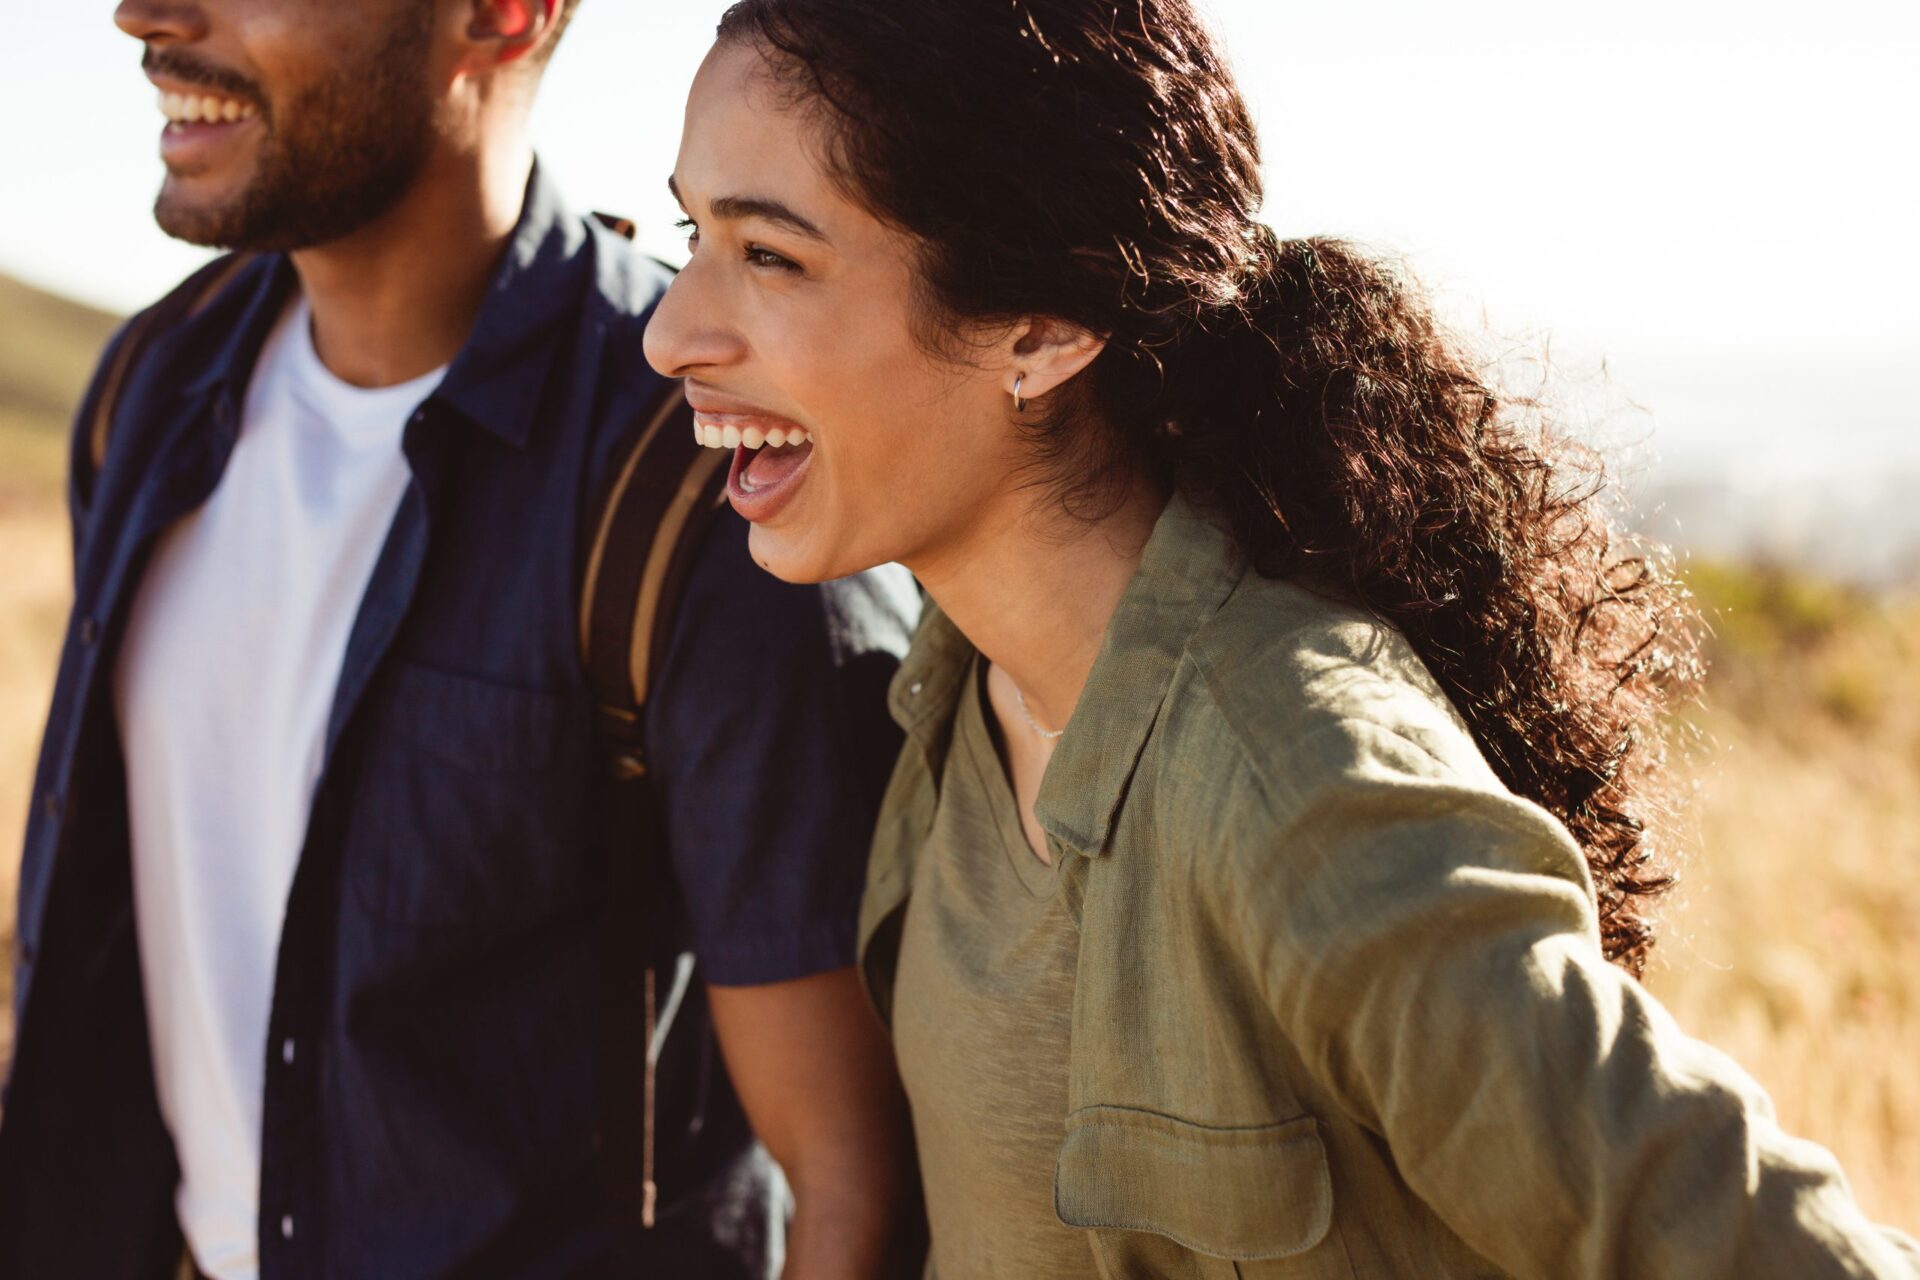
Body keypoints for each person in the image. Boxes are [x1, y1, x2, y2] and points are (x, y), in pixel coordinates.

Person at [641, 1, 1920, 1276]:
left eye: (770, 256)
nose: (671, 332)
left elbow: (1767, 1244)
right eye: (696, 233)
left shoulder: (1296, 775)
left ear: (1042, 327)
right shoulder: (953, 690)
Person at [0, 1, 922, 1277]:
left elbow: (851, 1172)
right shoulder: (151, 389)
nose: (146, 17)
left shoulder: (704, 478)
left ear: (500, 17)